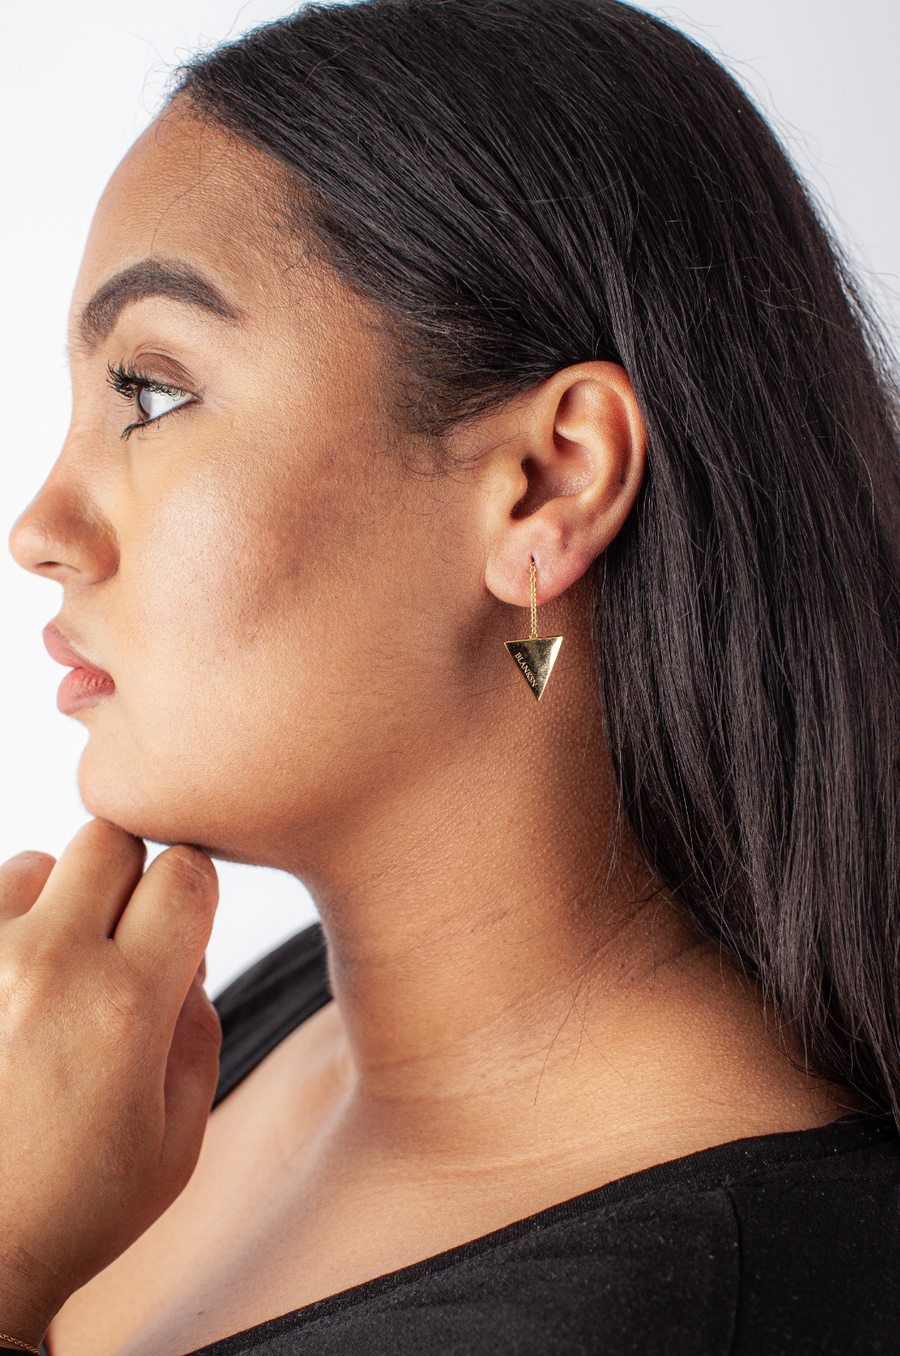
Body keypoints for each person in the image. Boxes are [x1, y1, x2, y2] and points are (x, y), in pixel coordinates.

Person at [2, 0, 899, 1351]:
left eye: (155, 392)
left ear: (549, 485)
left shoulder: (696, 1308)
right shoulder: (248, 1028)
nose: (42, 531)